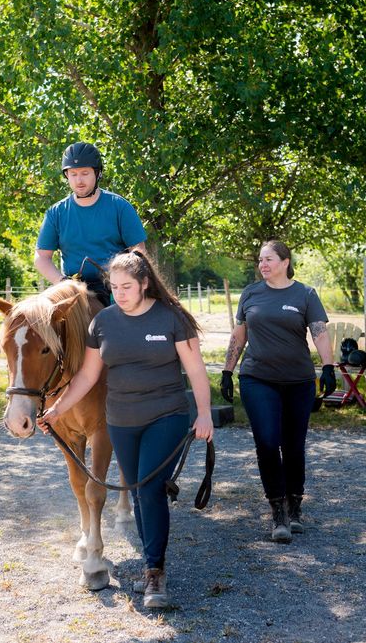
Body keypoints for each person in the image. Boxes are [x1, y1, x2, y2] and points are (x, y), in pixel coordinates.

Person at [38, 250, 214, 607]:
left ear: (145, 283)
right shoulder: (102, 323)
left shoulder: (172, 318)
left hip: (166, 416)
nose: (120, 293)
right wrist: (56, 410)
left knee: (149, 488)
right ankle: (152, 567)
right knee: (136, 493)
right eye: (114, 287)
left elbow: (196, 370)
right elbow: (87, 376)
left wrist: (205, 413)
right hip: (120, 420)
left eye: (127, 286)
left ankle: (155, 574)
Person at [220, 240, 336, 543]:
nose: (263, 265)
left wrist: (328, 367)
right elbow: (239, 335)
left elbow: (319, 332)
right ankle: (277, 512)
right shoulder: (251, 294)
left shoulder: (306, 294)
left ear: (285, 262)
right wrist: (227, 371)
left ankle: (294, 506)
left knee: (294, 445)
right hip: (257, 378)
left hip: (298, 381)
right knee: (268, 442)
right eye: (260, 260)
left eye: (269, 259)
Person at [34, 141, 147, 306]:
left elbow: (139, 251)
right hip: (73, 287)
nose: (79, 180)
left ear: (97, 173)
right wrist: (62, 282)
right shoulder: (55, 213)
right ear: (67, 176)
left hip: (114, 287)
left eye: (85, 173)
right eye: (73, 174)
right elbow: (41, 257)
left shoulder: (120, 206)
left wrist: (124, 281)